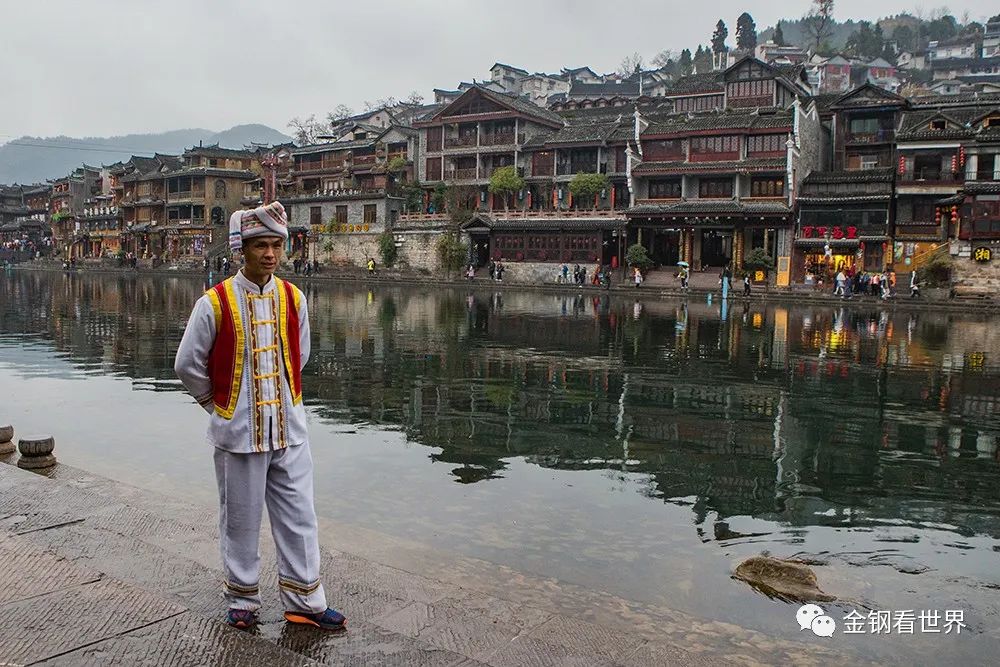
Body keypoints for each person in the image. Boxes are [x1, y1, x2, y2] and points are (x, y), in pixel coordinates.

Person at [174, 201, 345, 632]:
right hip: (238, 432)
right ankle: (242, 599)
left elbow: (299, 356)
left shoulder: (294, 297)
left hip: (289, 428)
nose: (269, 254)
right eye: (260, 246)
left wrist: (281, 399)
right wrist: (218, 406)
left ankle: (305, 598)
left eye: (275, 245)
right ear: (241, 249)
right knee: (240, 518)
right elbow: (187, 364)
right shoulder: (214, 303)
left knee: (300, 514)